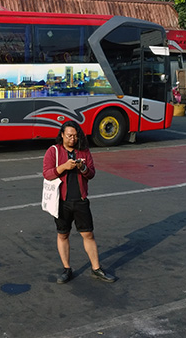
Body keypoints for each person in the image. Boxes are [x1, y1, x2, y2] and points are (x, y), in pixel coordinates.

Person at [42, 121, 116, 284]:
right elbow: (47, 174)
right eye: (69, 136)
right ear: (62, 135)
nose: (72, 139)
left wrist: (82, 168)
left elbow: (91, 174)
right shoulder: (53, 151)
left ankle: (96, 269)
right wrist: (64, 167)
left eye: (75, 136)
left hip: (80, 200)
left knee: (88, 234)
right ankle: (66, 269)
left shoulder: (84, 151)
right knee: (63, 234)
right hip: (61, 201)